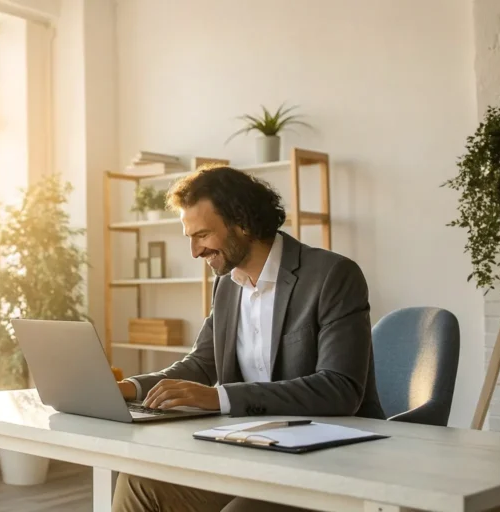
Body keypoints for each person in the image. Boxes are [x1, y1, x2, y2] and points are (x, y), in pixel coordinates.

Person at [112, 166, 385, 512]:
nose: (195, 251)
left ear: (242, 223)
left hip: (329, 459)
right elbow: (200, 364)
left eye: (203, 235)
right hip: (253, 451)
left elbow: (339, 389)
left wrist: (218, 398)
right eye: (190, 238)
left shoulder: (332, 276)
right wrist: (129, 388)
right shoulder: (227, 284)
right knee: (138, 485)